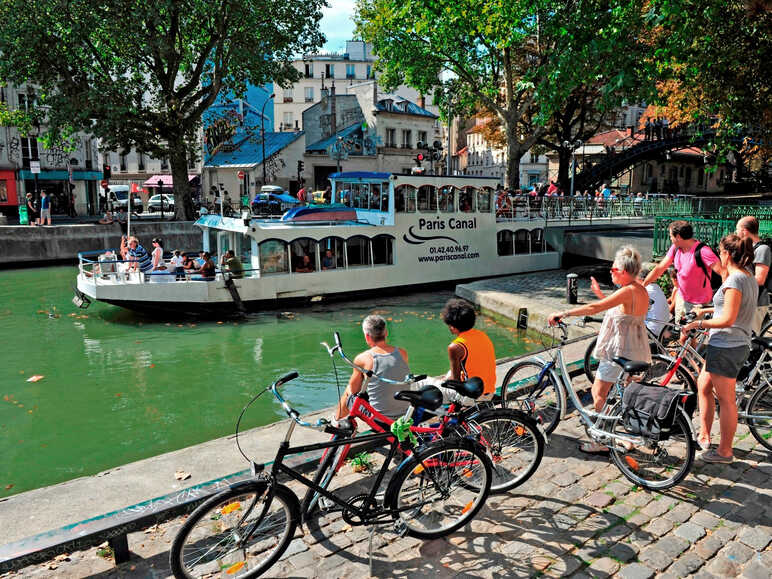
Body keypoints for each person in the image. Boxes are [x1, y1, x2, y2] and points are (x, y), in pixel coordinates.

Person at [549, 246, 651, 454]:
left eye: (613, 269)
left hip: (619, 350)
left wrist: (564, 313)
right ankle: (620, 435)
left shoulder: (628, 291)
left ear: (623, 271)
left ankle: (601, 441)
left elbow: (595, 308)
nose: (610, 272)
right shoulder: (639, 288)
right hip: (635, 347)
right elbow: (617, 310)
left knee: (598, 393)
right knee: (618, 395)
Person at [680, 234, 757, 463]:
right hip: (729, 343)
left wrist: (698, 324)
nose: (717, 255)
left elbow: (728, 319)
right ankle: (704, 434)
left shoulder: (734, 280)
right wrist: (704, 311)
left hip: (727, 344)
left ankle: (725, 452)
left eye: (720, 251)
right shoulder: (746, 275)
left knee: (726, 400)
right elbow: (728, 309)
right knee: (703, 385)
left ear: (726, 254)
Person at [333, 314, 410, 422]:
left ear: (367, 336)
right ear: (386, 333)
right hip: (405, 414)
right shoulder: (402, 353)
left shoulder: (363, 358)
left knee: (349, 390)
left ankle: (336, 420)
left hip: (379, 419)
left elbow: (354, 390)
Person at [643, 220, 722, 323]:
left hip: (699, 302)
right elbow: (660, 268)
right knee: (681, 328)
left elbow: (723, 273)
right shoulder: (675, 248)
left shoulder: (703, 251)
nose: (670, 238)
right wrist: (643, 285)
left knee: (687, 335)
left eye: (671, 235)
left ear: (678, 237)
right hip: (682, 297)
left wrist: (726, 298)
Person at [439, 298, 497, 404]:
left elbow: (455, 382)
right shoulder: (482, 335)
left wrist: (444, 380)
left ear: (452, 327)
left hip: (472, 396)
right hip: (489, 390)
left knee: (424, 387)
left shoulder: (455, 347)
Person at [736, 216, 771, 334]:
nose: (736, 233)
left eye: (737, 229)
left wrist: (737, 282)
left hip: (756, 302)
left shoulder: (762, 249)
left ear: (744, 231)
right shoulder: (746, 249)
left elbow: (760, 279)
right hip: (746, 300)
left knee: (752, 339)